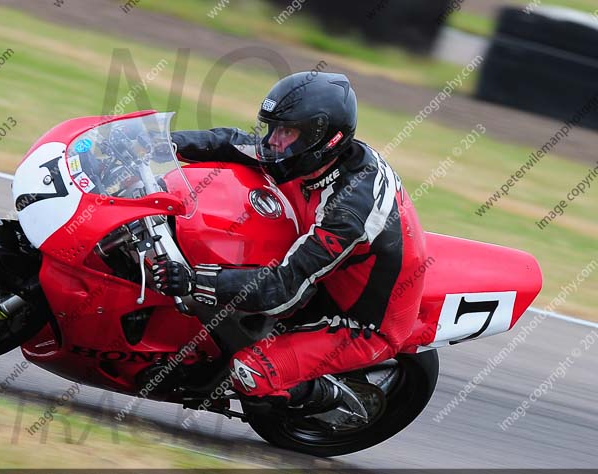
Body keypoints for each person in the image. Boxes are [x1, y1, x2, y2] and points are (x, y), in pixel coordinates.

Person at [152, 72, 428, 412]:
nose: (274, 141)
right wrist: (161, 143)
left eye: (287, 132)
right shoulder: (321, 159)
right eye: (274, 129)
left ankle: (331, 398)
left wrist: (195, 280)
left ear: (323, 138)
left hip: (358, 322)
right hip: (328, 270)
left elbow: (282, 291)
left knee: (252, 373)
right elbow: (232, 142)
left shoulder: (347, 214)